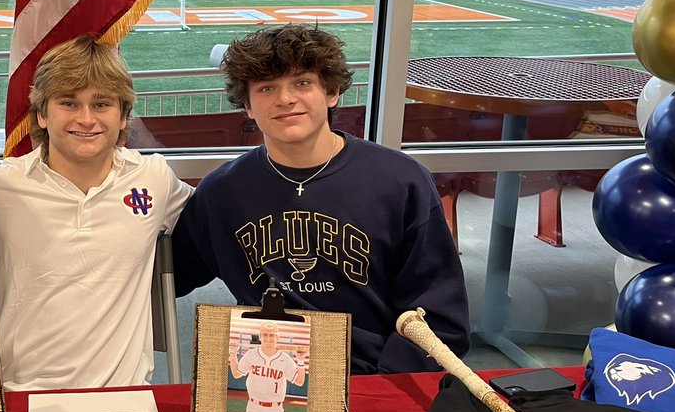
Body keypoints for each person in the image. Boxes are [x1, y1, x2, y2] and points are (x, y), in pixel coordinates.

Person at [172, 24, 469, 374]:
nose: (285, 99)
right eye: (266, 88)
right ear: (247, 106)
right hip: (267, 376)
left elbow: (441, 318)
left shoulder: (401, 182)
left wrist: (382, 388)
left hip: (371, 378)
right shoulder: (221, 192)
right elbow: (165, 275)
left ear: (332, 92)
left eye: (302, 83)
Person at [0, 36, 193, 390]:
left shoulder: (154, 178)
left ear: (123, 116)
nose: (86, 119)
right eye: (69, 103)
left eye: (102, 104)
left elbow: (218, 219)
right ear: (42, 114)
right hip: (20, 394)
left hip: (124, 393)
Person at [231, 321, 306, 412]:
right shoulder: (251, 354)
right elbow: (236, 373)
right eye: (265, 335)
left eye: (272, 335)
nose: (268, 338)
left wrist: (301, 362)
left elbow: (299, 382)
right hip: (253, 409)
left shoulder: (285, 359)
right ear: (260, 336)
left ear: (277, 337)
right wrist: (232, 354)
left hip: (276, 411)